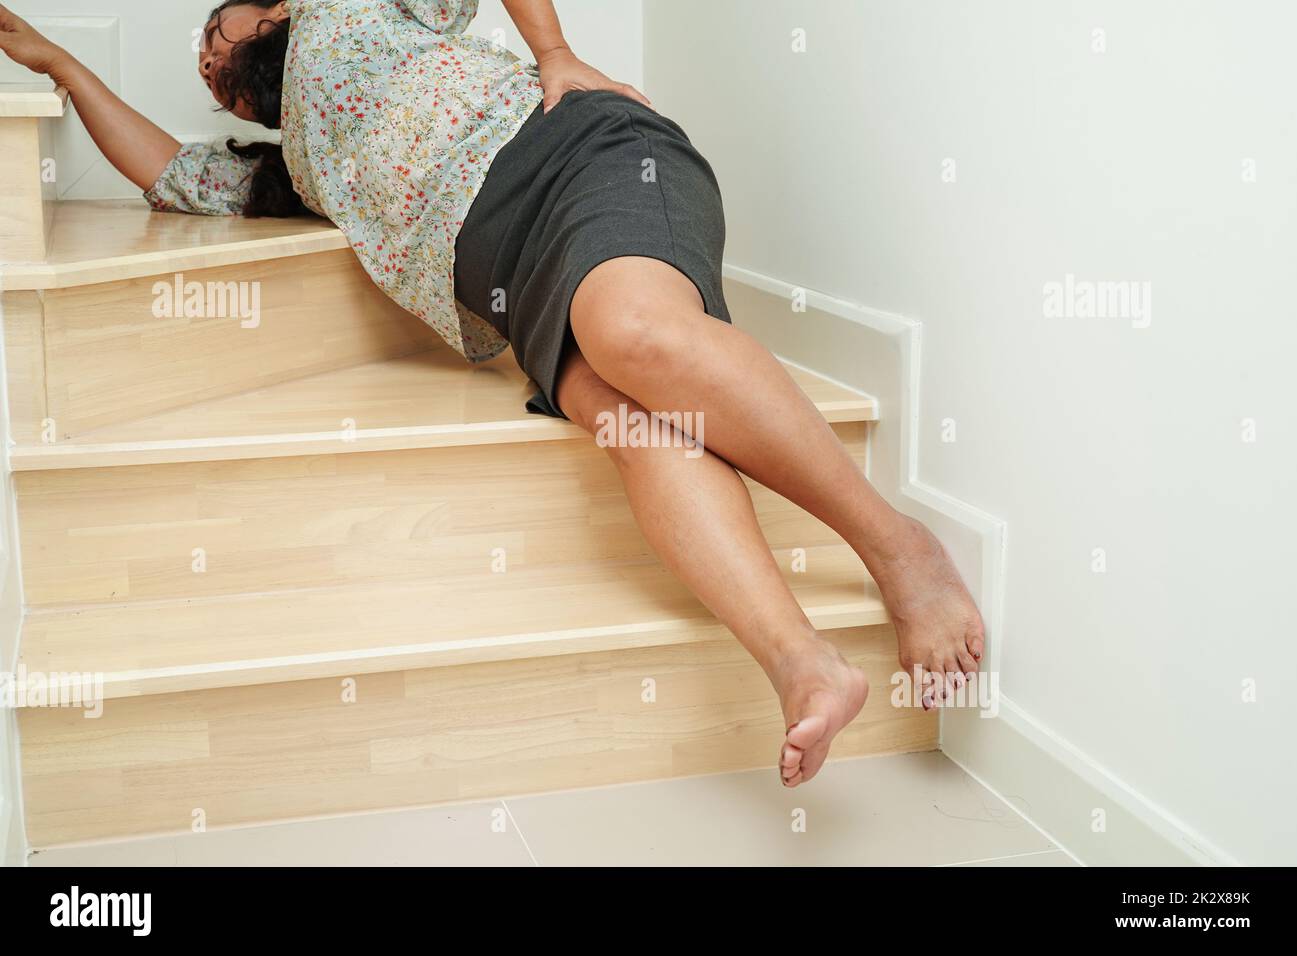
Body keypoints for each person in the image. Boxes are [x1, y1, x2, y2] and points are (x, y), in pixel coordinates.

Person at [0, 0, 985, 788]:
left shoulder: (363, 10)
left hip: (581, 158)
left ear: (274, 12)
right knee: (637, 427)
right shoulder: (297, 169)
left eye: (217, 31)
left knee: (634, 333)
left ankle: (901, 548)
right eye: (206, 75)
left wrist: (554, 48)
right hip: (511, 277)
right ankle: (802, 662)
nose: (208, 61)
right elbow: (165, 169)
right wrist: (60, 64)